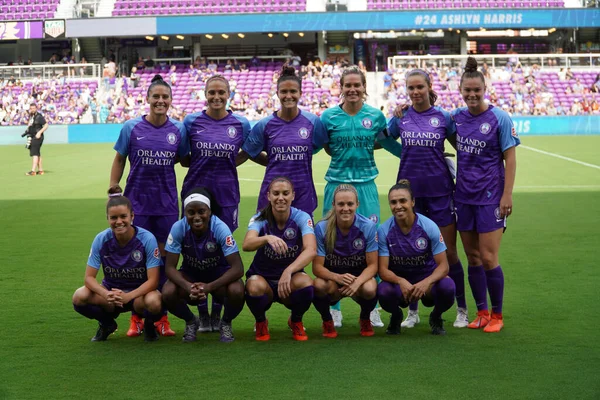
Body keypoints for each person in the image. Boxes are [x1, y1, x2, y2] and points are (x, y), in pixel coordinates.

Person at [387, 69, 468, 329]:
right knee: (410, 253)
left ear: (429, 86)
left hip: (441, 193)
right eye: (410, 88)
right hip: (410, 197)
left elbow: (461, 149)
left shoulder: (444, 117)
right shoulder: (401, 117)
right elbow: (384, 138)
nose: (415, 92)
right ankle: (412, 311)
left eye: (419, 87)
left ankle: (462, 309)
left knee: (450, 253)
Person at [109, 75, 187, 338]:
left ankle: (162, 317)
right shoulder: (131, 127)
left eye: (165, 97)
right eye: (156, 97)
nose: (161, 101)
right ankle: (137, 316)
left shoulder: (178, 130)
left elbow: (183, 159)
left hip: (165, 206)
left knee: (164, 261)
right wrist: (113, 186)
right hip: (137, 205)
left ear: (171, 100)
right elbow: (120, 158)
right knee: (138, 261)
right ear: (147, 99)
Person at [320, 66, 396, 328]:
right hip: (336, 185)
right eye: (347, 85)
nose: (352, 89)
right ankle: (335, 307)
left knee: (370, 242)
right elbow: (324, 145)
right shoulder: (328, 117)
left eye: (357, 85)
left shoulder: (375, 116)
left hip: (365, 187)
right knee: (332, 243)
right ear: (341, 87)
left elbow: (384, 142)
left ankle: (371, 307)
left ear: (364, 87)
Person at [451, 57, 520, 333]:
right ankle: (480, 312)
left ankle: (497, 315)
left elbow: (510, 159)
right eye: (467, 90)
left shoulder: (499, 117)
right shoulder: (456, 118)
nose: (472, 95)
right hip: (463, 196)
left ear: (484, 89)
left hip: (491, 197)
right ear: (461, 90)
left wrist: (507, 195)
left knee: (489, 257)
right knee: (472, 256)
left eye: (476, 90)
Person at [180, 74, 251, 332]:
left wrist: (230, 162)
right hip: (195, 193)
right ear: (205, 94)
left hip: (226, 195)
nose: (217, 97)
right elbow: (184, 157)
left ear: (229, 94)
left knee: (221, 253)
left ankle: (217, 314)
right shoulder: (191, 122)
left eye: (221, 92)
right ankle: (201, 313)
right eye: (212, 92)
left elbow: (250, 150)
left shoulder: (240, 123)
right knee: (194, 250)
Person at [72, 194, 163, 342]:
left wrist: (128, 296)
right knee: (79, 296)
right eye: (113, 218)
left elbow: (153, 281)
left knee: (155, 301)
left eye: (123, 216)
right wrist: (105, 294)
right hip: (111, 295)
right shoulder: (101, 239)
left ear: (132, 216)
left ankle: (149, 325)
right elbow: (89, 278)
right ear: (107, 219)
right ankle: (107, 324)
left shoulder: (147, 239)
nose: (119, 221)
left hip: (138, 295)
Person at [240, 64, 328, 217]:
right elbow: (250, 152)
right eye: (284, 91)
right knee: (268, 237)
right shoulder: (264, 125)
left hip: (303, 192)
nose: (288, 95)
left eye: (293, 91)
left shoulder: (313, 122)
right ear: (277, 93)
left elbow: (322, 145)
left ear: (300, 93)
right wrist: (272, 160)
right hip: (273, 192)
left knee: (303, 238)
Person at [162, 187, 245, 343]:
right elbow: (169, 268)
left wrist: (209, 287)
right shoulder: (178, 228)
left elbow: (238, 268)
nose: (197, 217)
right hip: (191, 275)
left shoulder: (220, 228)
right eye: (191, 213)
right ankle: (191, 321)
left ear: (210, 211)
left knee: (237, 289)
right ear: (185, 213)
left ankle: (225, 322)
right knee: (167, 291)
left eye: (201, 211)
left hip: (218, 274)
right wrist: (187, 286)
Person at [377, 180, 456, 335]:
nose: (398, 206)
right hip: (400, 286)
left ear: (412, 202)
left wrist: (426, 282)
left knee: (448, 287)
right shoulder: (384, 230)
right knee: (383, 291)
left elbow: (443, 266)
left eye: (402, 201)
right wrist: (400, 281)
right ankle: (396, 315)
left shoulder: (429, 226)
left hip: (427, 284)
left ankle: (436, 316)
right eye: (393, 202)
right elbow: (383, 271)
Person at [243, 177, 316, 341]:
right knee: (253, 286)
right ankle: (261, 322)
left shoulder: (302, 217)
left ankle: (296, 320)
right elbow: (247, 244)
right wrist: (267, 238)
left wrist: (288, 271)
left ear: (293, 195)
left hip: (289, 280)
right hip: (263, 278)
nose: (280, 198)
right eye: (276, 193)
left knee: (306, 283)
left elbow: (311, 250)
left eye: (285, 193)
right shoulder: (260, 218)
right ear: (268, 196)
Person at [312, 184, 379, 338]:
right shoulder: (322, 228)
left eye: (350, 204)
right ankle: (327, 321)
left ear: (357, 204)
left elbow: (373, 265)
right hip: (334, 281)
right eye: (341, 204)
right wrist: (337, 277)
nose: (345, 208)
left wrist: (357, 282)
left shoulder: (368, 227)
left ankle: (365, 318)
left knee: (370, 287)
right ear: (334, 205)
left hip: (359, 280)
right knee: (318, 284)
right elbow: (317, 268)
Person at [24, 103, 48, 176]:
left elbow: (46, 125)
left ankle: (33, 171)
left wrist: (39, 132)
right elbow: (31, 124)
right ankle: (40, 170)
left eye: (34, 108)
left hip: (37, 136)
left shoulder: (39, 116)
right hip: (33, 135)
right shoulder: (31, 116)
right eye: (31, 108)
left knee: (34, 153)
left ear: (36, 108)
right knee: (37, 153)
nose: (32, 109)